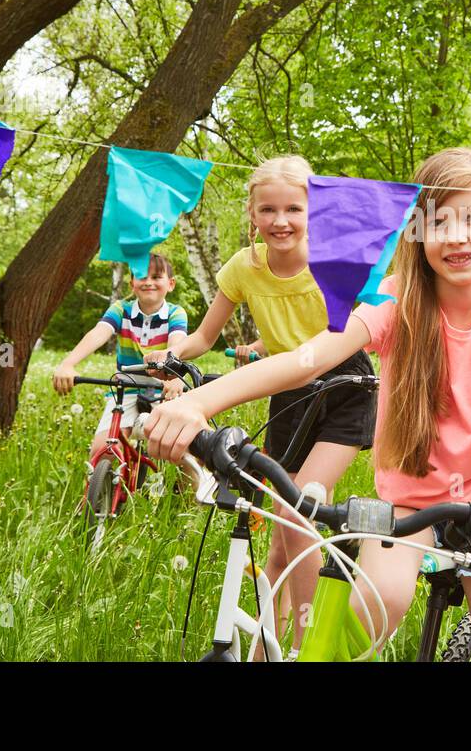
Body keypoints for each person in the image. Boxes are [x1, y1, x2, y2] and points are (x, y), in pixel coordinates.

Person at [145, 148, 471, 661]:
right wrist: (198, 402)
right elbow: (307, 359)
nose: (457, 236)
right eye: (438, 222)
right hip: (404, 506)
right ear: (415, 233)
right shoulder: (394, 301)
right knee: (364, 623)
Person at [156, 154, 375, 656]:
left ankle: (305, 645)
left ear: (312, 211)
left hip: (347, 387)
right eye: (268, 210)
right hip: (288, 393)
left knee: (297, 510)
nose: (280, 221)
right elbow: (204, 337)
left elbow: (379, 320)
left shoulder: (334, 260)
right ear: (252, 214)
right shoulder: (243, 269)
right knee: (279, 536)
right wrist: (169, 355)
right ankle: (263, 646)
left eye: (294, 209)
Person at [52, 253, 188, 462]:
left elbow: (177, 344)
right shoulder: (121, 310)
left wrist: (175, 376)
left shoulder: (175, 313)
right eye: (142, 277)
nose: (148, 282)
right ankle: (97, 493)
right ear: (132, 283)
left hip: (164, 389)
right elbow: (99, 333)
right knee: (102, 450)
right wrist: (68, 364)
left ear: (170, 284)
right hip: (127, 389)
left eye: (156, 277)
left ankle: (192, 490)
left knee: (183, 450)